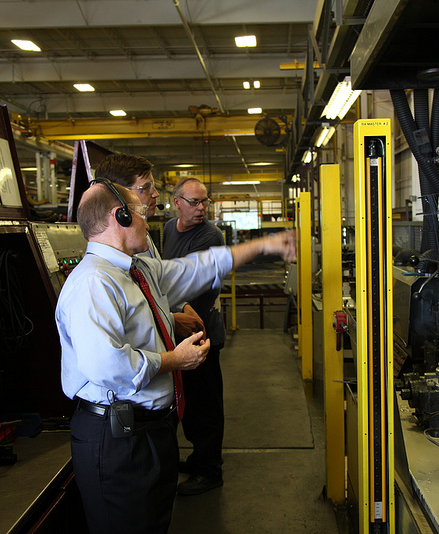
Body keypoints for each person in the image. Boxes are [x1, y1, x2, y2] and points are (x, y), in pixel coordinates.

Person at [56, 181, 295, 534]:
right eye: (139, 213)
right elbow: (107, 366)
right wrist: (172, 360)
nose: (148, 221)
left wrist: (264, 245)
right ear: (118, 216)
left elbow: (193, 268)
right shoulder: (94, 282)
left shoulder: (136, 271)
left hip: (149, 432)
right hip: (118, 440)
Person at [92, 152, 203, 338]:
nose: (156, 194)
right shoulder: (103, 264)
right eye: (146, 187)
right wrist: (171, 320)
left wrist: (181, 306)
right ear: (118, 194)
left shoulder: (142, 234)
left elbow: (157, 282)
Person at [162, 177, 226, 495]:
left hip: (202, 331)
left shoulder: (210, 235)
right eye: (194, 202)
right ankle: (201, 458)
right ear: (177, 202)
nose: (201, 208)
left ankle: (209, 469)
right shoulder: (168, 230)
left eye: (204, 202)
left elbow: (189, 284)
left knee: (204, 405)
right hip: (179, 330)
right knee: (188, 403)